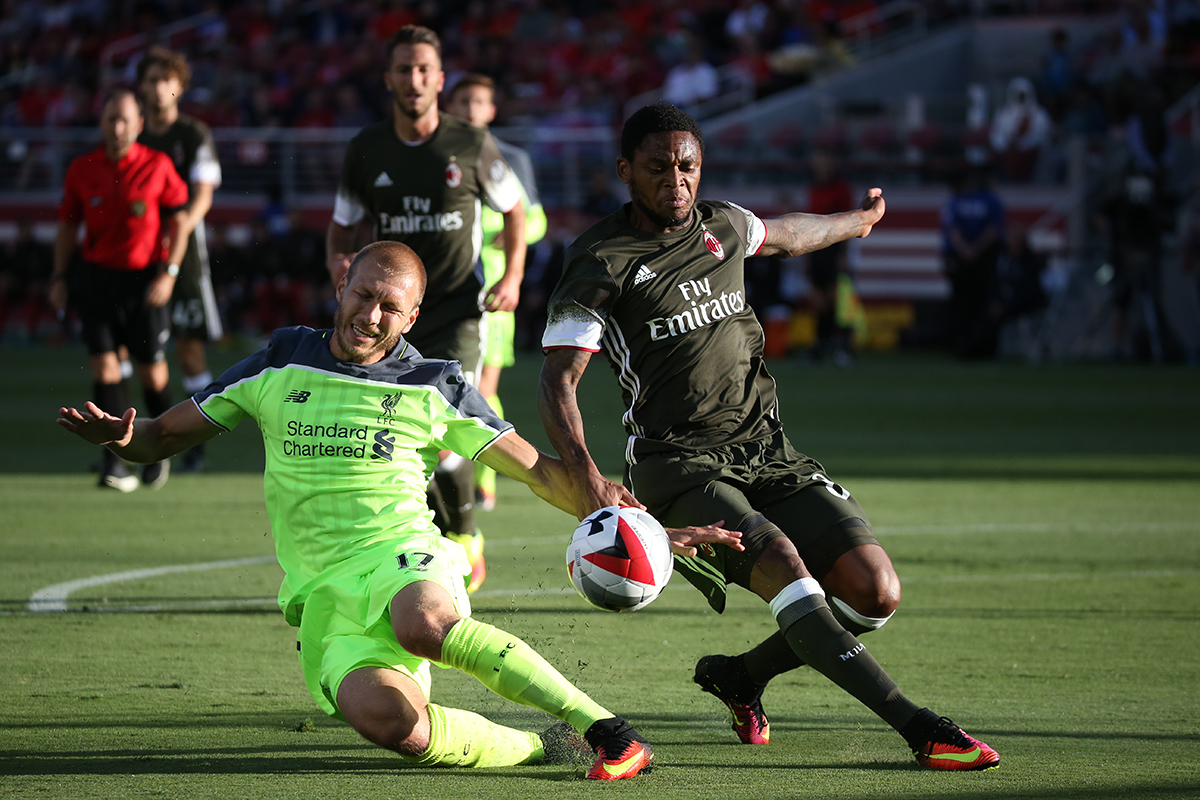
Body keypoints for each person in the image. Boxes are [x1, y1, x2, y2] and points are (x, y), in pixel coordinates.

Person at [56, 240, 742, 780]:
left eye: (392, 308)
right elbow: (161, 437)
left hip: (403, 554)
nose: (372, 316)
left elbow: (540, 473)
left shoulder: (433, 382)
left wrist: (643, 529)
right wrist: (122, 436)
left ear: (412, 318)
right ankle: (542, 747)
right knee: (396, 726)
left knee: (424, 623)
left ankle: (609, 731)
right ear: (343, 286)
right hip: (323, 592)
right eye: (365, 296)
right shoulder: (279, 361)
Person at [536, 102, 1000, 772]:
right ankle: (921, 728)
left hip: (767, 451)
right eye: (659, 166)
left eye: (687, 165)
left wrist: (859, 222)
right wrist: (588, 478)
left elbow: (789, 233)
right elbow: (558, 381)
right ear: (625, 172)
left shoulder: (722, 225)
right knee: (782, 560)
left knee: (873, 593)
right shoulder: (600, 260)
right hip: (679, 465)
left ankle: (740, 675)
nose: (676, 179)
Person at [326, 25, 527, 594]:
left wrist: (511, 275)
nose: (414, 80)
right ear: (388, 78)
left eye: (424, 70)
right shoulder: (366, 149)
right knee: (396, 432)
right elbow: (341, 229)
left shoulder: (470, 143)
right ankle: (427, 542)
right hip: (390, 314)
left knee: (444, 431)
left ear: (439, 80)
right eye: (404, 70)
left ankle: (463, 538)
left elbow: (514, 212)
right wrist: (343, 276)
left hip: (460, 311)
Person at [50, 86, 190, 493]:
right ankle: (117, 460)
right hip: (96, 279)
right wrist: (58, 277)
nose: (117, 127)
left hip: (146, 282)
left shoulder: (157, 164)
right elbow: (66, 226)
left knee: (152, 371)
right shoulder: (82, 169)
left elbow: (180, 221)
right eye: (111, 119)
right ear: (102, 123)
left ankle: (162, 449)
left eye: (125, 119)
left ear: (139, 124)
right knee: (104, 369)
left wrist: (169, 272)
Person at [446, 72, 549, 516]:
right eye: (463, 100)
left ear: (492, 110)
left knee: (481, 386)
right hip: (447, 288)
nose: (471, 108)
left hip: (490, 288)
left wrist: (501, 239)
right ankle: (461, 475)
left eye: (479, 101)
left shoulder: (511, 157)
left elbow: (535, 220)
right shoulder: (441, 154)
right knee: (458, 386)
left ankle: (481, 478)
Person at [136, 46, 225, 473]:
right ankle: (140, 439)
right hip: (135, 257)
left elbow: (203, 194)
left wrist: (174, 236)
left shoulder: (194, 135)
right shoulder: (132, 135)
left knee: (189, 349)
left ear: (180, 86)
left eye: (164, 79)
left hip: (184, 257)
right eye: (150, 80)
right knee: (135, 349)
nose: (157, 88)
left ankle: (195, 440)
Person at [940, 167, 1006, 359]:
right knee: (982, 301)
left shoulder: (955, 202)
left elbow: (952, 230)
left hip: (961, 257)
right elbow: (994, 229)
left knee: (961, 303)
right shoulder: (990, 201)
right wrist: (976, 249)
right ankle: (982, 346)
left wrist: (966, 250)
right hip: (983, 256)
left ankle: (962, 345)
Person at [804, 149, 855, 365]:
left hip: (834, 247)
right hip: (816, 248)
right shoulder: (814, 189)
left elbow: (848, 222)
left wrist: (843, 253)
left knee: (838, 301)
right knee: (819, 301)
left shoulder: (841, 189)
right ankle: (821, 345)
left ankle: (844, 347)